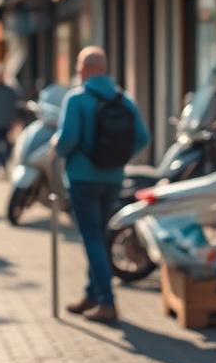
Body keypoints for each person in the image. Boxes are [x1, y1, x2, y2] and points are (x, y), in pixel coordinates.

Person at [52, 46, 150, 324]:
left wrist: (56, 147)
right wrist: (117, 157)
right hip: (113, 178)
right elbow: (142, 137)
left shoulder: (77, 98)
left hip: (83, 178)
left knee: (92, 238)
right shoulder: (124, 99)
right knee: (98, 234)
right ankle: (92, 294)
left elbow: (67, 138)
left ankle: (106, 300)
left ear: (83, 69)